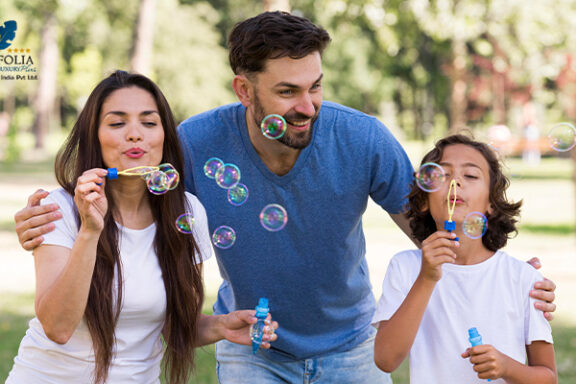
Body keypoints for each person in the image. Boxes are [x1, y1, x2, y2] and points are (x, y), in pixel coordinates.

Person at [14, 12, 556, 384]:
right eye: (288, 92)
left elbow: (434, 224)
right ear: (244, 90)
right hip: (251, 344)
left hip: (351, 344)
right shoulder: (196, 144)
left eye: (316, 86)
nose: (309, 106)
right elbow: (134, 196)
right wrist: (47, 219)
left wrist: (505, 272)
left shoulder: (361, 138)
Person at [7, 70, 277, 384]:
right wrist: (90, 231)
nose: (135, 134)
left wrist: (221, 326)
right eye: (117, 123)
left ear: (164, 136)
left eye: (149, 123)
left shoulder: (187, 213)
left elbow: (177, 325)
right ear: (95, 135)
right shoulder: (60, 209)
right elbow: (58, 327)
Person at [373, 134, 556, 383]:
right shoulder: (406, 268)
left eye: (470, 175)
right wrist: (426, 278)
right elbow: (385, 359)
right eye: (442, 175)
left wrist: (506, 367)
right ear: (424, 200)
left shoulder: (523, 278)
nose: (455, 182)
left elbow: (548, 377)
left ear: (491, 203)